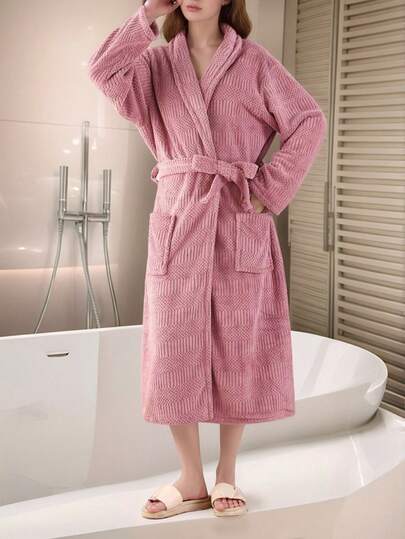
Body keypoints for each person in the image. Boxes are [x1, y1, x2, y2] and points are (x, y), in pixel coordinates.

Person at [88, 0, 327, 519]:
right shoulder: (155, 64)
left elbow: (309, 120)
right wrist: (147, 14)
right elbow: (103, 70)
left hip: (237, 214)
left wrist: (267, 190)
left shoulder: (254, 63)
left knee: (237, 343)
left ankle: (227, 474)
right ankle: (190, 477)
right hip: (179, 217)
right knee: (174, 346)